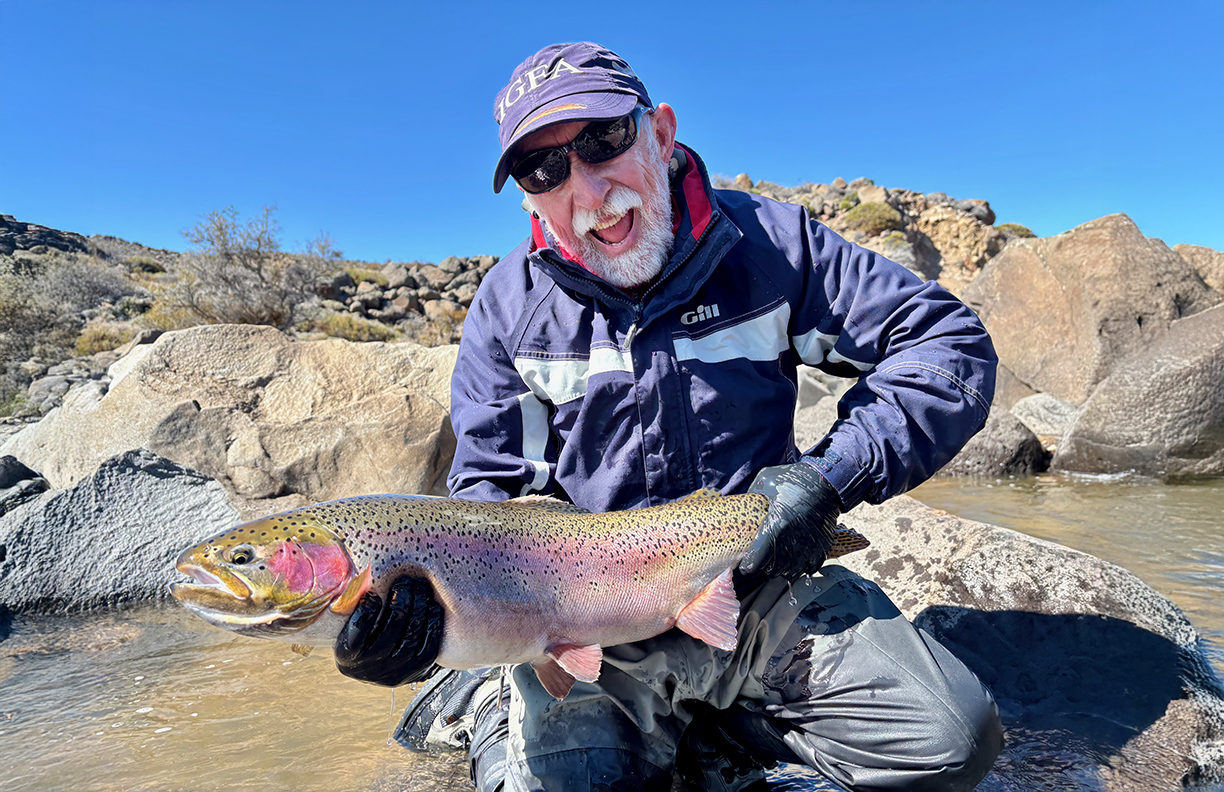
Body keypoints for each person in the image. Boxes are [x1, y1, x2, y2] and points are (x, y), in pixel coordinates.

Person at [335, 42, 1004, 791]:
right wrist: (429, 630)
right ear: (527, 198)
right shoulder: (507, 310)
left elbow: (947, 345)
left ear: (660, 133)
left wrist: (828, 480)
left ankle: (720, 733)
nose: (588, 190)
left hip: (753, 585)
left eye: (602, 139)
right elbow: (485, 502)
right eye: (543, 170)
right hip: (586, 620)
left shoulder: (774, 247)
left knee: (948, 742)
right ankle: (488, 698)